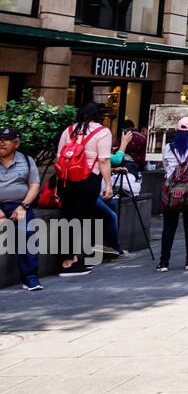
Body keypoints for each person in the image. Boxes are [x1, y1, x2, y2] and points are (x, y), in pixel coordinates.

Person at [53, 102, 114, 277]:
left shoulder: (69, 130)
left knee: (68, 217)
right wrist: (108, 185)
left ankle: (70, 259)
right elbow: (103, 160)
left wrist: (58, 186)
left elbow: (59, 159)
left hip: (66, 180)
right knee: (80, 219)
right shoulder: (103, 132)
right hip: (88, 180)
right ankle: (69, 262)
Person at [158, 116, 188, 271]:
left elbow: (166, 168)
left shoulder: (168, 148)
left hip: (171, 191)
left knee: (168, 227)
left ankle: (164, 262)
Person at [0, 127, 43, 290]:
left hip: (19, 205)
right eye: (0, 139)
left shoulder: (26, 160)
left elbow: (34, 186)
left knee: (27, 234)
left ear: (16, 143)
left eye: (6, 140)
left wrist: (23, 206)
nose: (1, 143)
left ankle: (30, 278)